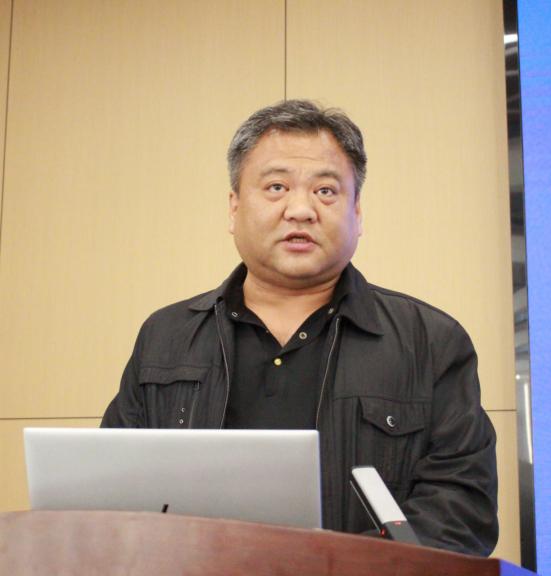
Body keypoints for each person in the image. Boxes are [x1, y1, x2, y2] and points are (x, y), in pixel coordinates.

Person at [102, 100, 498, 556]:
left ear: (357, 213)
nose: (301, 209)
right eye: (276, 187)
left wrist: (330, 567)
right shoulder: (166, 337)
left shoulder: (430, 341)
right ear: (233, 207)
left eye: (326, 191)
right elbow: (111, 495)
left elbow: (462, 511)